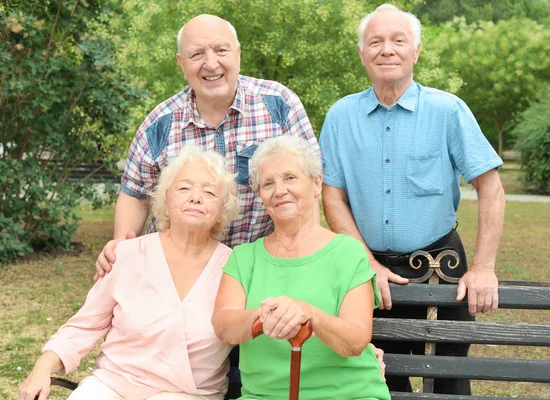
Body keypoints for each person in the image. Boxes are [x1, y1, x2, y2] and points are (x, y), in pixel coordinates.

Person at [318, 3, 505, 395]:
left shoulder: (447, 110)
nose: (387, 49)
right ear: (362, 54)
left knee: (449, 378)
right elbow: (331, 195)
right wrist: (365, 262)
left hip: (443, 267)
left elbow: (491, 188)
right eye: (376, 42)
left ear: (416, 51)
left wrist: (484, 267)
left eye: (398, 40)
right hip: (372, 274)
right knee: (386, 377)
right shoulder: (340, 116)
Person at [94, 14, 319, 278]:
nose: (211, 64)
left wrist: (307, 256)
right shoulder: (159, 124)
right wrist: (123, 250)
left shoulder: (280, 104)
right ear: (181, 62)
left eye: (221, 50)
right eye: (197, 54)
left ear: (237, 53)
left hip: (259, 271)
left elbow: (308, 186)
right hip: (176, 275)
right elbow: (135, 194)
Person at [18, 147, 240, 400]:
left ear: (223, 211)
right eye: (184, 188)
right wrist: (42, 367)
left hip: (187, 393)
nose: (196, 197)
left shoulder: (234, 266)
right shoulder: (127, 255)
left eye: (210, 192)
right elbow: (84, 326)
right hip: (113, 384)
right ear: (165, 204)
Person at [211, 135, 390, 400]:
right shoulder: (243, 257)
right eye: (268, 183)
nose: (280, 190)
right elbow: (224, 325)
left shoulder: (348, 253)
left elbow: (355, 340)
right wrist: (263, 317)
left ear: (316, 184)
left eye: (290, 178)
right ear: (260, 195)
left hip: (347, 394)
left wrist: (309, 314)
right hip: (263, 396)